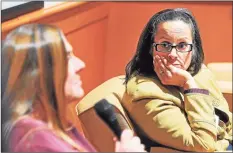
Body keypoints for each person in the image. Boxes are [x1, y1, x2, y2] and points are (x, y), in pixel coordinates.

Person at [1, 24, 146, 152]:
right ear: (41, 73)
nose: (81, 64)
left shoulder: (54, 125)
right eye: (68, 57)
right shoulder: (34, 143)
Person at [123, 8, 232, 152]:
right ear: (150, 49)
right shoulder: (145, 94)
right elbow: (203, 145)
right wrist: (189, 85)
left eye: (182, 45)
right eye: (165, 45)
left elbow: (227, 123)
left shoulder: (200, 72)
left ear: (193, 49)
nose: (173, 54)